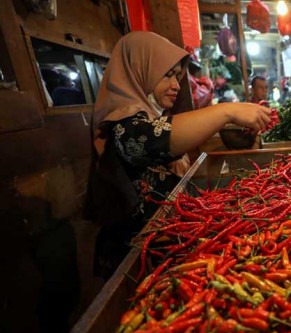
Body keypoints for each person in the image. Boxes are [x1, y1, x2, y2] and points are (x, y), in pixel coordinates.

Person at [85, 31, 271, 278]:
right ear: (140, 69)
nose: (176, 85)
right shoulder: (122, 127)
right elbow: (155, 140)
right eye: (167, 75)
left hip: (166, 248)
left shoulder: (150, 117)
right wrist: (226, 112)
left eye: (178, 76)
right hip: (134, 260)